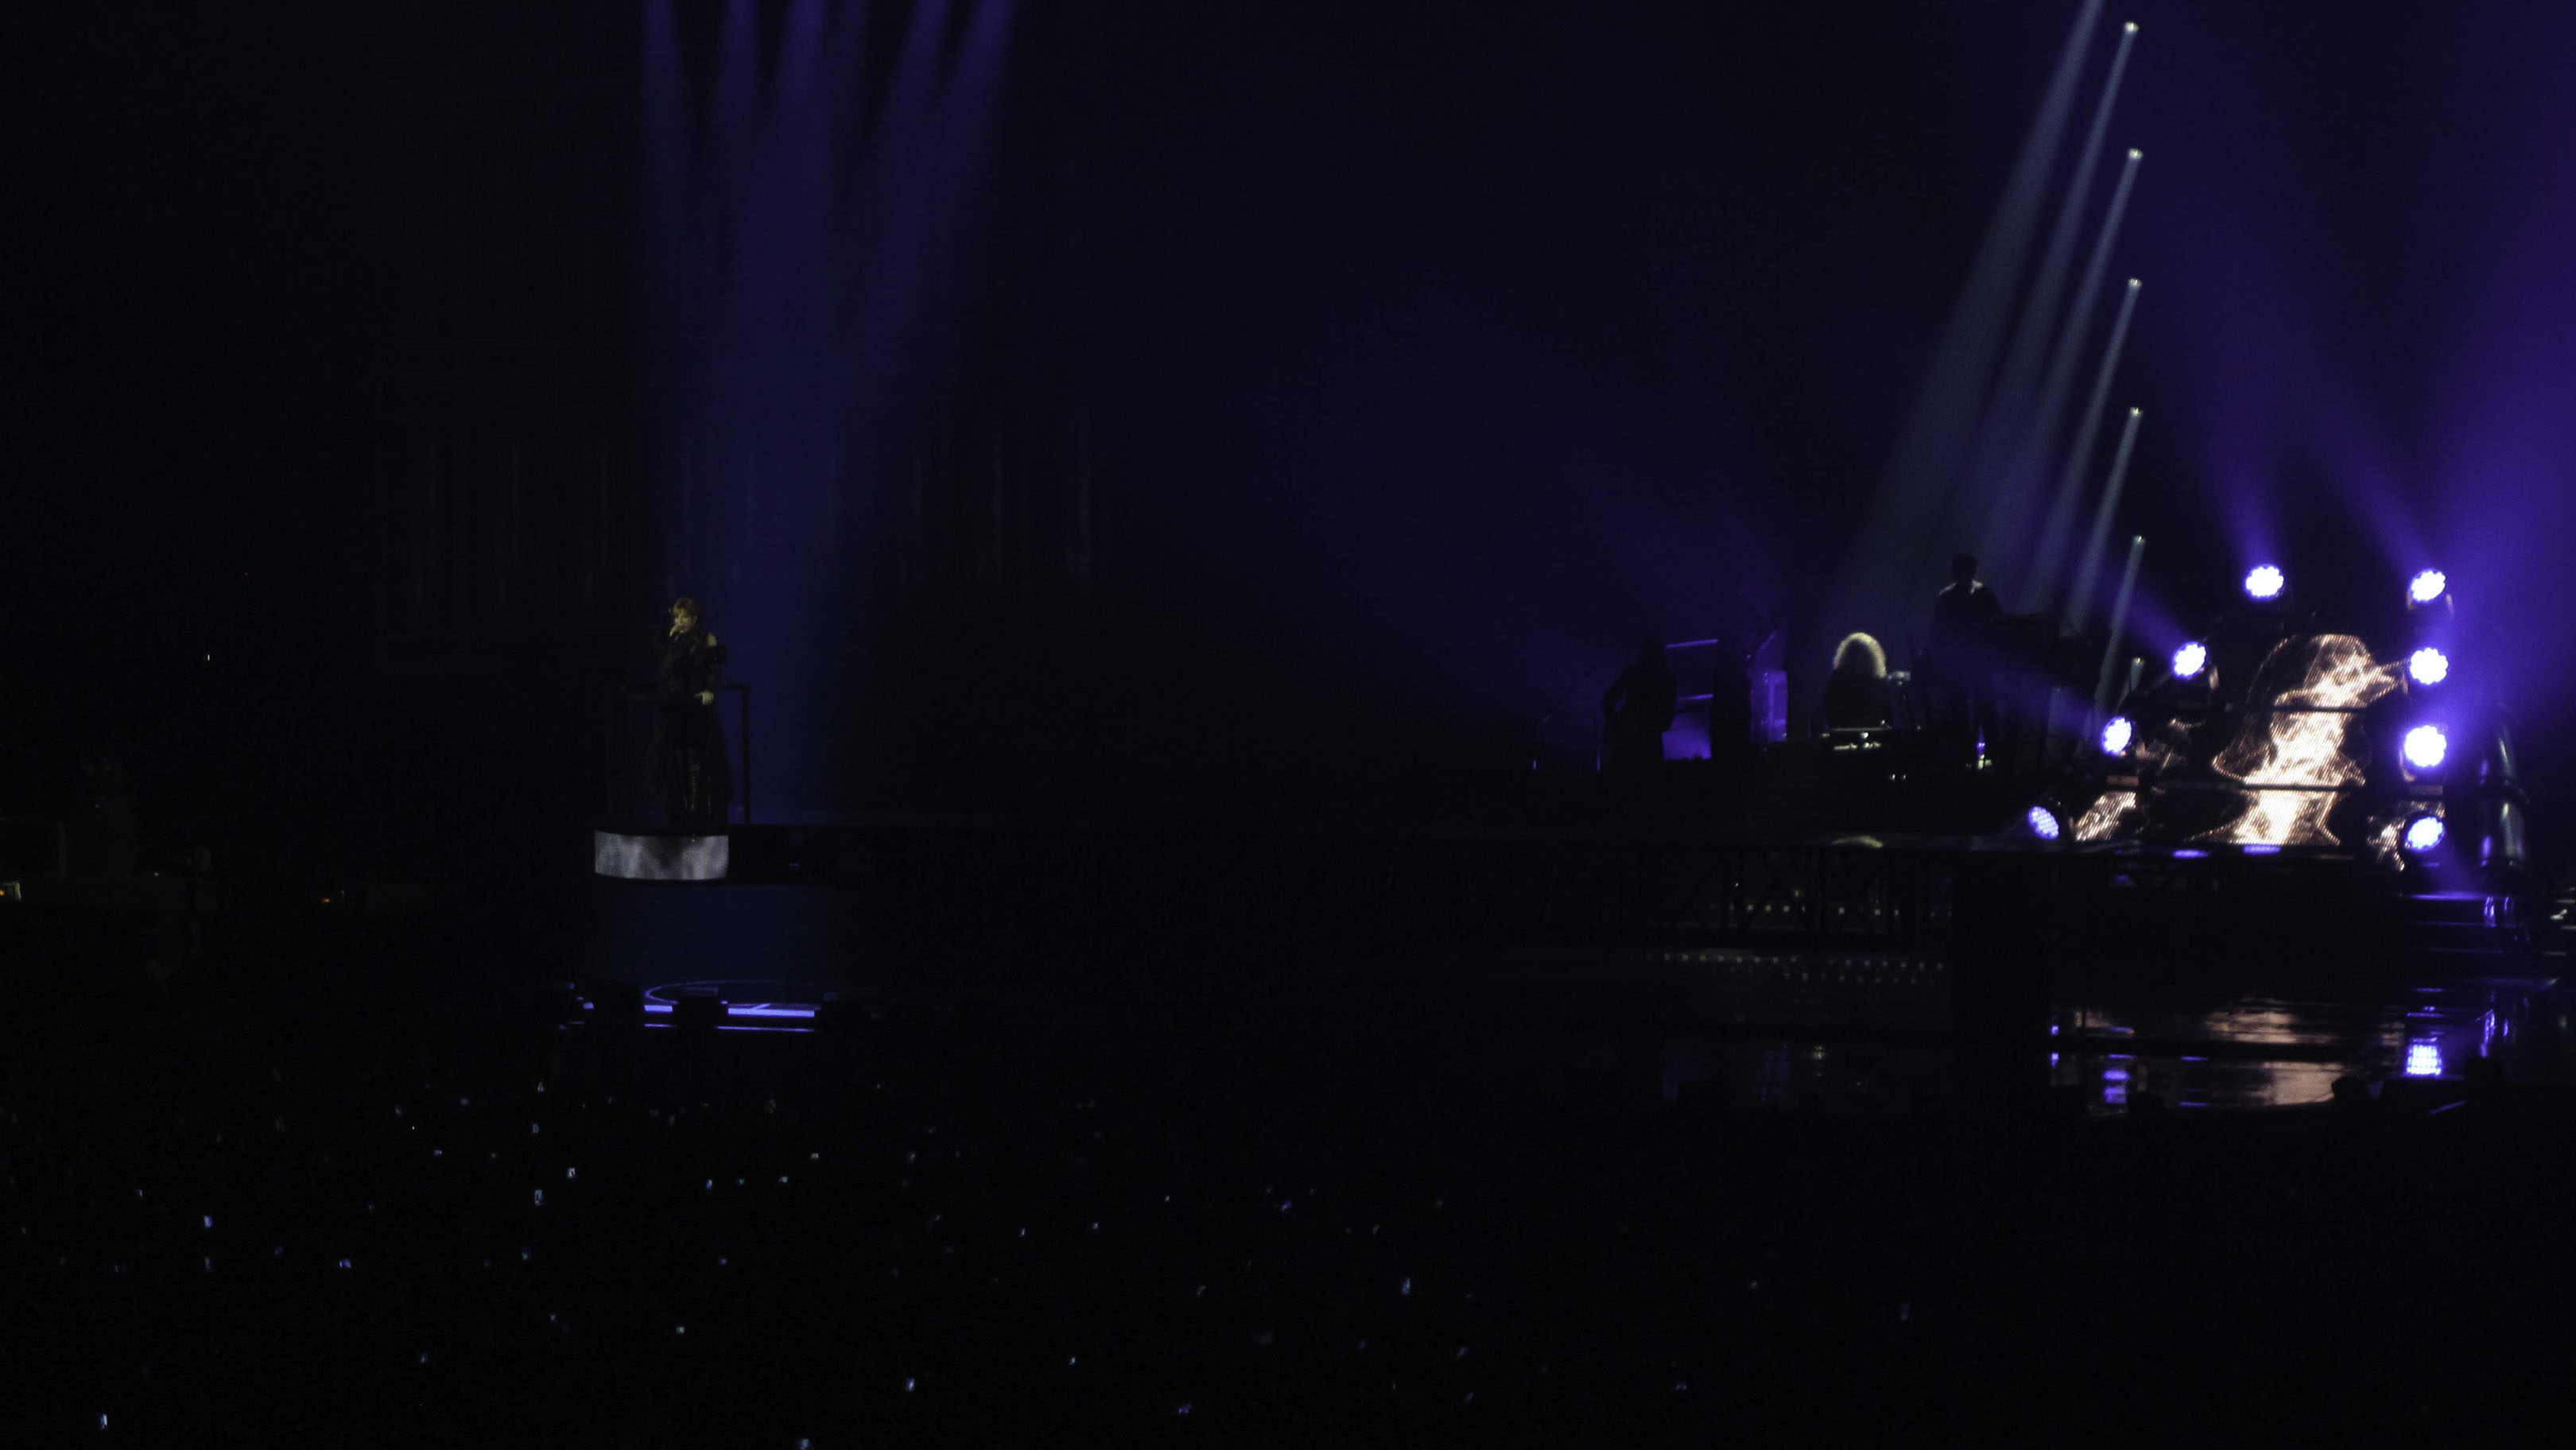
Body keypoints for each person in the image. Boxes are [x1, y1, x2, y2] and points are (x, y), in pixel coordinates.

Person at [650, 595, 734, 828]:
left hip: (698, 707)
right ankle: (677, 811)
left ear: (694, 618)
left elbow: (715, 670)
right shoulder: (671, 642)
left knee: (699, 760)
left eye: (685, 616)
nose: (680, 620)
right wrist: (672, 641)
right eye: (677, 616)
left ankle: (699, 812)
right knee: (675, 760)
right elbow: (666, 671)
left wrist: (709, 690)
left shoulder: (707, 639)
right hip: (676, 706)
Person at [1926, 553, 2004, 762]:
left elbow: (1998, 628)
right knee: (1971, 710)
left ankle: (1974, 757)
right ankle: (1979, 758)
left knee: (1976, 709)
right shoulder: (1978, 595)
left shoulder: (1954, 596)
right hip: (1965, 665)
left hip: (1972, 664)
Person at [1600, 637, 1678, 773]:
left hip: (1632, 741)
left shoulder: (1634, 674)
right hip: (1646, 743)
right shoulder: (1666, 680)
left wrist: (1618, 723)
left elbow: (1609, 701)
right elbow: (1667, 719)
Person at [1821, 633, 1891, 731]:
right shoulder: (1838, 679)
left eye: (1862, 656)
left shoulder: (1877, 682)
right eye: (1855, 655)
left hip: (1865, 734)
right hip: (1847, 735)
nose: (1858, 660)